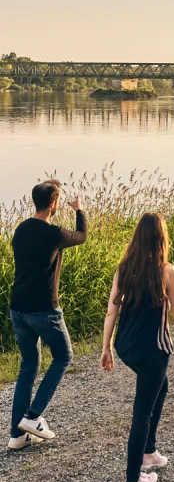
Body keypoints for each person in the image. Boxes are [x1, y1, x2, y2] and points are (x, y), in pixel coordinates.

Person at [100, 213, 174, 482]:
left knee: (161, 388)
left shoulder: (124, 269)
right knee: (143, 412)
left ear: (137, 237)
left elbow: (112, 311)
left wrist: (107, 348)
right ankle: (132, 481)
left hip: (126, 347)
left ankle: (149, 451)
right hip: (153, 352)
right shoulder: (167, 272)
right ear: (162, 238)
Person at [8, 180, 87, 451]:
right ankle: (33, 417)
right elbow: (81, 235)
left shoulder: (20, 230)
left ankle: (16, 436)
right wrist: (79, 210)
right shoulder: (54, 233)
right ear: (53, 204)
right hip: (44, 308)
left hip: (17, 307)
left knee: (28, 366)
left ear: (35, 201)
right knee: (64, 356)